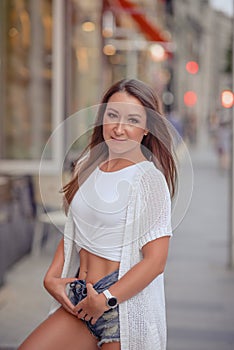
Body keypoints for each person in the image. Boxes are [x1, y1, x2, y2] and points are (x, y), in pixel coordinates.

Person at [19, 78, 177, 350]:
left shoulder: (149, 180)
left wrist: (106, 299)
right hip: (82, 297)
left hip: (119, 306)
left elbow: (155, 262)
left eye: (132, 120)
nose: (118, 128)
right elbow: (76, 229)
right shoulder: (88, 163)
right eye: (112, 115)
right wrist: (52, 276)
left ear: (147, 128)